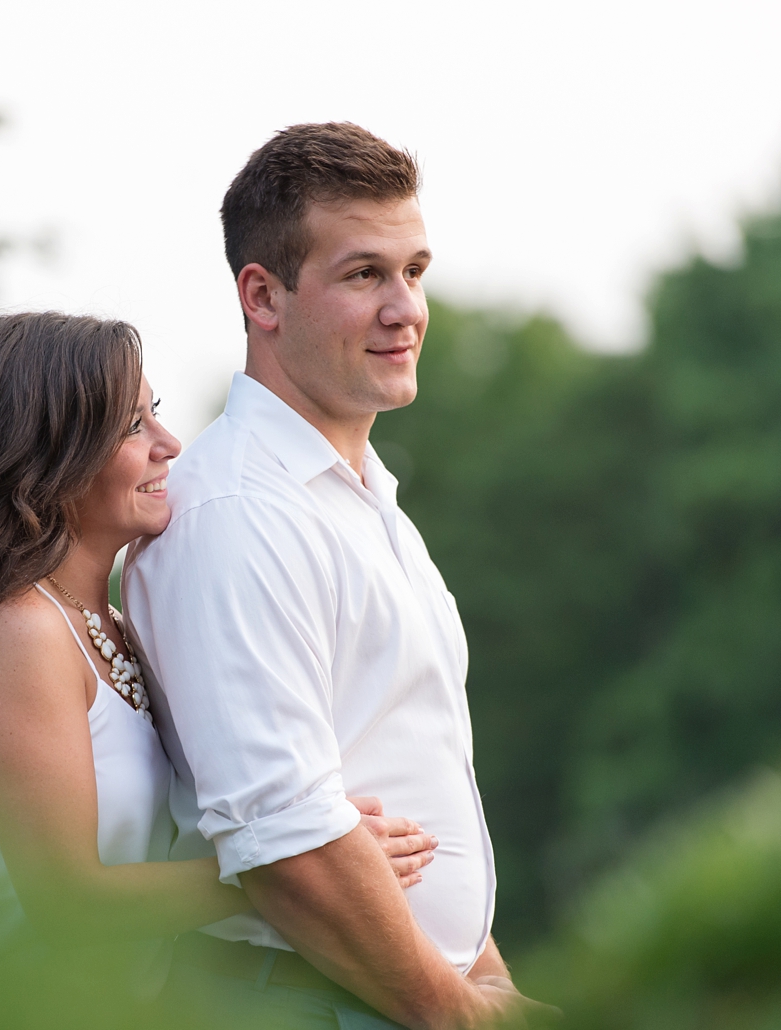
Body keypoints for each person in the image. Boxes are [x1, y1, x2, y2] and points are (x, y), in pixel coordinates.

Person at [124, 124, 545, 1028]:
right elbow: (287, 847)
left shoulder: (359, 500)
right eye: (365, 275)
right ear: (263, 296)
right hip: (306, 1004)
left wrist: (491, 981)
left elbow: (423, 778)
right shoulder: (235, 515)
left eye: (416, 271)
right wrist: (462, 1015)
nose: (407, 309)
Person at [0, 311, 438, 990]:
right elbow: (68, 903)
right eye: (132, 426)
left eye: (157, 415)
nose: (169, 445)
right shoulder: (19, 632)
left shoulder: (113, 626)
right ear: (41, 456)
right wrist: (299, 871)